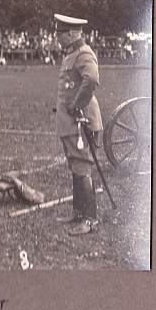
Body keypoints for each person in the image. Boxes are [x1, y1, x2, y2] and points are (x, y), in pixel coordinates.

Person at [53, 14, 103, 236]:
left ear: (73, 34)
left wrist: (76, 105)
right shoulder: (72, 53)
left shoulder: (83, 54)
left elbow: (91, 79)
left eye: (60, 34)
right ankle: (78, 212)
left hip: (81, 121)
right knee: (75, 166)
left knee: (82, 167)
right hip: (70, 121)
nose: (58, 38)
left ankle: (90, 220)